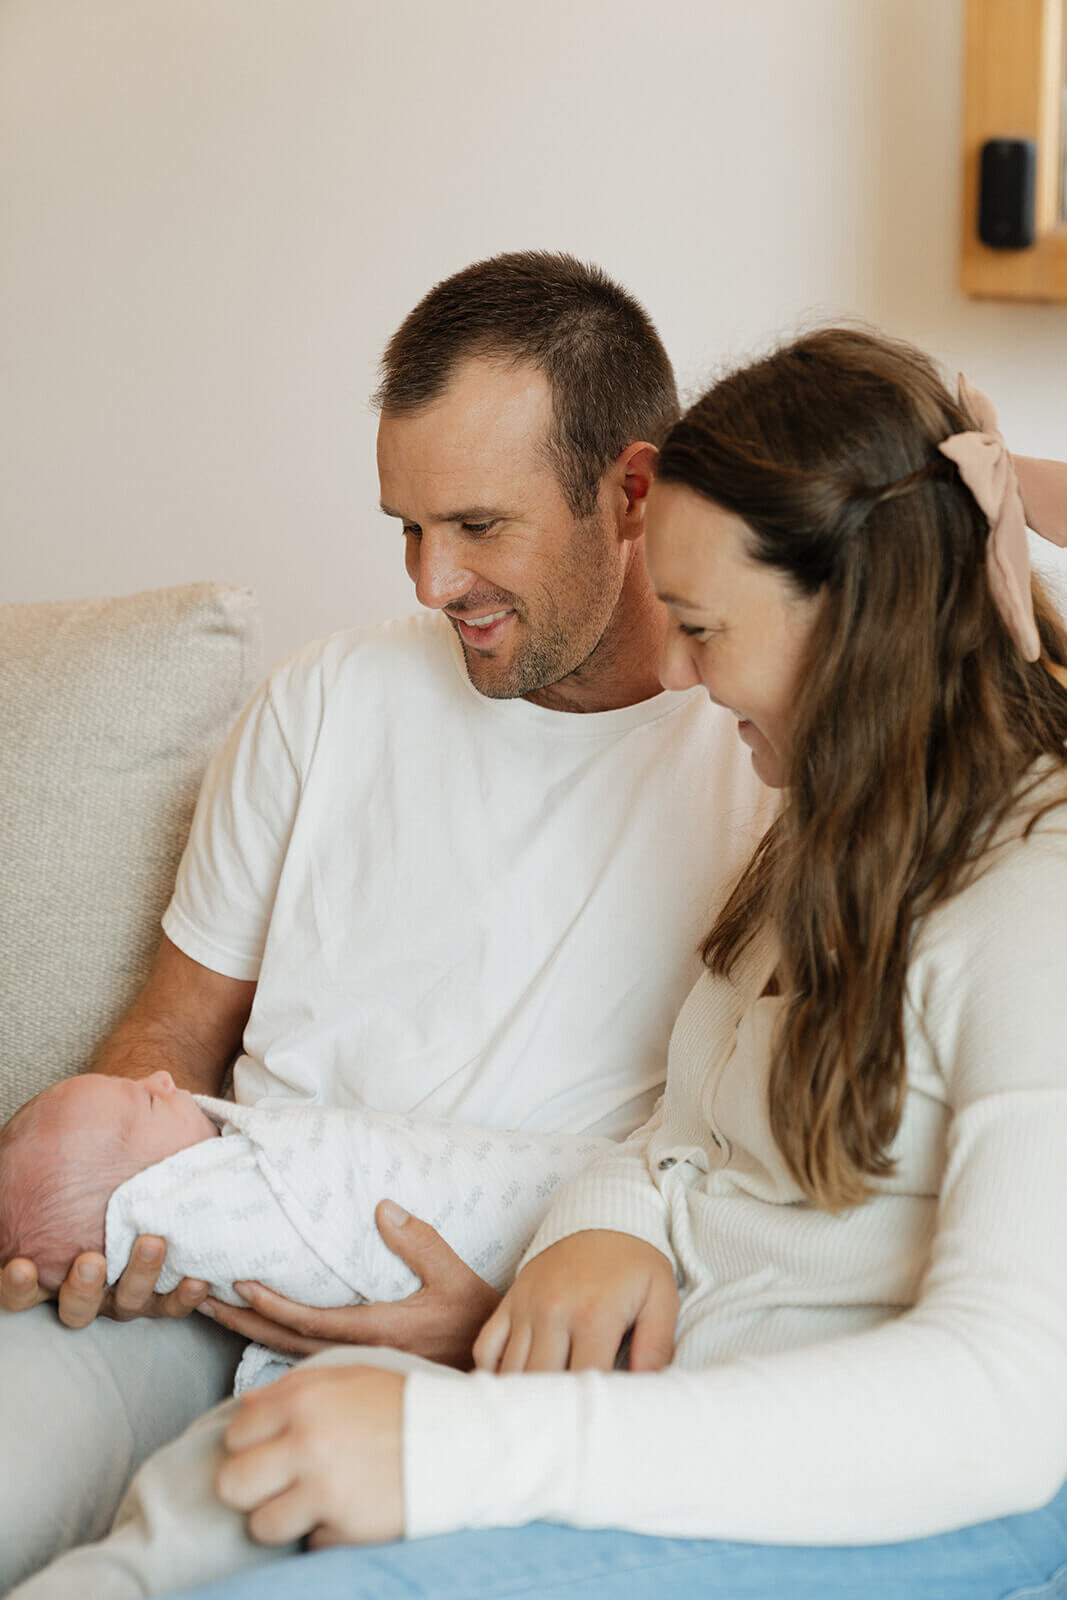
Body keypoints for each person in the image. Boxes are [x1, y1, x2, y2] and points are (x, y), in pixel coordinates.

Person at [131, 328, 1066, 1600]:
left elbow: (1003, 1403)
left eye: (695, 626)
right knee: (216, 1485)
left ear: (856, 618)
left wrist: (469, 1447)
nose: (673, 671)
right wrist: (603, 1227)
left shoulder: (1033, 903)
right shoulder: (830, 850)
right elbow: (683, 1144)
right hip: (671, 1425)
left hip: (839, 1501)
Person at [0, 252, 771, 1591]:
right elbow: (171, 1033)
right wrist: (97, 1213)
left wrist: (496, 1328)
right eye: (403, 528)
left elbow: (752, 1195)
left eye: (477, 526)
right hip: (200, 1296)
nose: (429, 581)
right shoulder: (327, 701)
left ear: (631, 492)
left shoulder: (752, 762)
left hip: (480, 1334)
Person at [0, 1069, 606, 1394]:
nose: (164, 1078)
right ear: (141, 1203)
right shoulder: (206, 1212)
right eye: (149, 1103)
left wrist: (486, 1326)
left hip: (584, 1231)